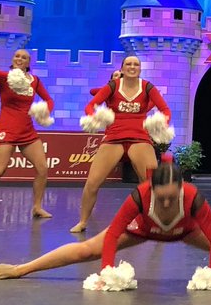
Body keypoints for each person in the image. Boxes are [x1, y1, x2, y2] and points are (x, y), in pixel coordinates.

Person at [0, 155, 211, 283]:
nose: (167, 199)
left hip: (186, 231)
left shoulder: (192, 198)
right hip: (145, 230)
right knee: (88, 249)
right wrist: (107, 271)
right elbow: (111, 239)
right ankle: (22, 269)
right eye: (161, 195)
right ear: (151, 188)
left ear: (181, 187)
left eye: (172, 195)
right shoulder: (140, 196)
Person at [72, 55, 170, 233]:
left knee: (152, 182)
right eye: (128, 64)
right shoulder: (113, 86)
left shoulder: (148, 87)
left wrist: (161, 122)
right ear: (123, 68)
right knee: (92, 183)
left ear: (140, 69)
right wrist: (96, 117)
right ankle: (83, 221)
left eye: (136, 64)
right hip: (113, 138)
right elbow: (91, 105)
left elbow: (165, 110)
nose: (132, 67)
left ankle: (156, 221)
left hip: (139, 138)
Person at [0, 48, 54, 220]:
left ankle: (37, 207)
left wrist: (45, 111)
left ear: (29, 63)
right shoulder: (6, 79)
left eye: (24, 57)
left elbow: (49, 100)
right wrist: (10, 75)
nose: (20, 59)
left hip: (27, 130)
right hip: (8, 128)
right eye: (17, 56)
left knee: (42, 168)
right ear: (13, 60)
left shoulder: (34, 81)